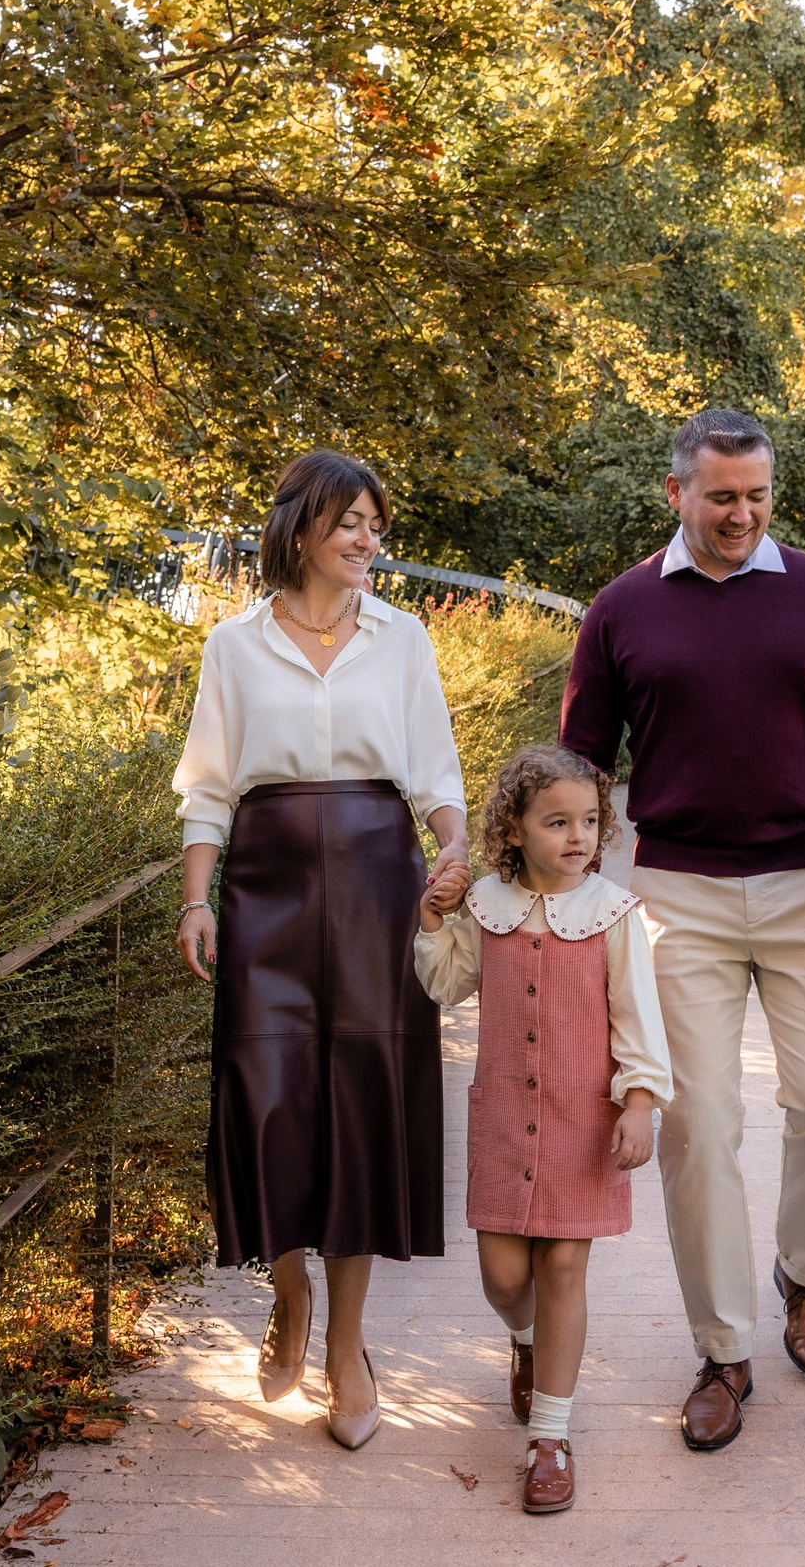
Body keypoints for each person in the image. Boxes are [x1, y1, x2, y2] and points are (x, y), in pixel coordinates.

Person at [558, 407, 805, 1451]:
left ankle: (803, 1278)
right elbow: (580, 760)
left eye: (757, 496)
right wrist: (564, 883)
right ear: (675, 493)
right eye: (722, 497)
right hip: (678, 893)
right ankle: (722, 1350)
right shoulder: (622, 609)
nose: (742, 515)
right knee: (696, 1124)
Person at [173, 448, 469, 1451]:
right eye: (350, 522)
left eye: (376, 525)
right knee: (269, 1099)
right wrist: (195, 899)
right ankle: (288, 1288)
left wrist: (456, 852)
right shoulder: (234, 645)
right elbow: (208, 784)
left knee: (363, 1099)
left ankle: (347, 1346)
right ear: (302, 526)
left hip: (381, 881)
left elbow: (434, 769)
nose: (367, 540)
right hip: (265, 883)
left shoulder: (403, 639)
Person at [412, 744, 671, 1514]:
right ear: (514, 828)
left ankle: (550, 1438)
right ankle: (522, 1339)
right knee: (505, 1278)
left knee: (563, 1269)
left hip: (580, 1120)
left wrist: (640, 1101)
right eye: (556, 821)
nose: (577, 835)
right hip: (503, 1123)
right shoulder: (486, 903)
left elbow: (637, 1017)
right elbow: (447, 984)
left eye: (589, 820)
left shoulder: (614, 913)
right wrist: (433, 918)